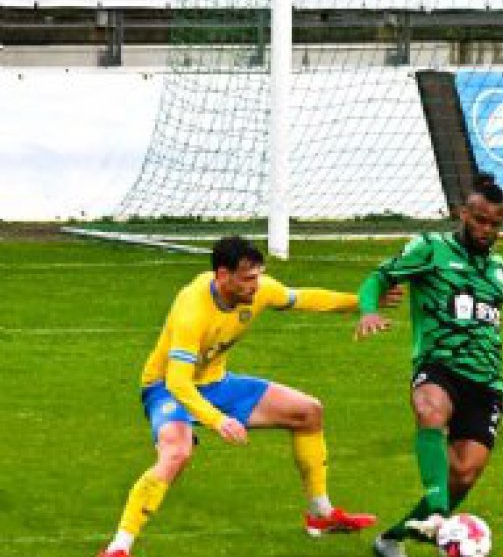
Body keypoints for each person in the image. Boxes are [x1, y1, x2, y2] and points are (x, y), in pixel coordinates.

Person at [98, 235, 401, 557]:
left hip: (216, 383)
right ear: (222, 275)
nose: (255, 286)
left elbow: (304, 298)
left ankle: (321, 514)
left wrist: (364, 303)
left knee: (308, 411)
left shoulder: (259, 289)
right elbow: (178, 381)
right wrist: (217, 420)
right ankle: (119, 547)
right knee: (177, 452)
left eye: (258, 276)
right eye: (247, 279)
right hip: (166, 388)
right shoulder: (192, 308)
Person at [355, 174, 503, 557]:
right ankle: (441, 516)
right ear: (463, 214)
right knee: (430, 412)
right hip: (439, 364)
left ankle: (392, 537)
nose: (486, 230)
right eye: (480, 220)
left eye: (494, 224)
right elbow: (379, 277)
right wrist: (368, 310)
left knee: (464, 473)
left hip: (487, 380)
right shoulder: (430, 249)